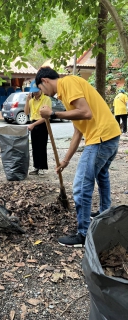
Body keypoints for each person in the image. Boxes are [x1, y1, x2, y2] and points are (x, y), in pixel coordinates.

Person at [35, 67, 121, 247]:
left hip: (100, 138)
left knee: (81, 187)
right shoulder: (66, 94)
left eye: (41, 89)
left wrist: (53, 114)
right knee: (102, 175)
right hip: (110, 135)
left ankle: (83, 235)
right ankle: (104, 213)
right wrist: (64, 161)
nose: (43, 94)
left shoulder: (67, 82)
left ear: (45, 81)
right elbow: (77, 132)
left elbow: (86, 112)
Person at [24, 80, 52, 175]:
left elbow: (46, 117)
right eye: (33, 91)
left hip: (42, 124)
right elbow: (26, 113)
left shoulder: (46, 99)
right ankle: (36, 167)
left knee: (42, 147)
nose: (35, 92)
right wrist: (27, 100)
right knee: (35, 147)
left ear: (41, 89)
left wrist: (33, 125)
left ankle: (42, 168)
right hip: (33, 124)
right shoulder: (31, 100)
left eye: (37, 90)